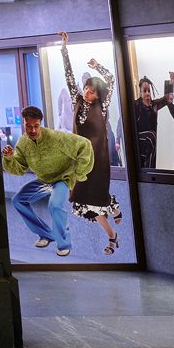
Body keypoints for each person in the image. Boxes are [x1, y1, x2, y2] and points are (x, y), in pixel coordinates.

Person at [59, 33, 122, 255]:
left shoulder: (102, 106)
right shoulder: (77, 100)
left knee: (91, 203)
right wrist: (64, 49)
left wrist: (98, 66)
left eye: (92, 90)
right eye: (86, 88)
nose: (87, 91)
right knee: (82, 204)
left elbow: (112, 80)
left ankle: (112, 235)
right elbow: (69, 76)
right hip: (81, 161)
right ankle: (112, 227)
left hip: (99, 159)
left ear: (98, 95)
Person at [2, 106, 94, 257]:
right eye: (28, 126)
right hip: (44, 181)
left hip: (62, 179)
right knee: (18, 200)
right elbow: (19, 169)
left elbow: (85, 144)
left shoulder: (56, 138)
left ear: (41, 123)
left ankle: (64, 244)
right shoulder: (23, 143)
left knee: (55, 205)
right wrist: (10, 158)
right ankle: (46, 234)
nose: (32, 130)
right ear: (24, 123)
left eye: (36, 126)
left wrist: (80, 173)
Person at [131, 70, 174, 169]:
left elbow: (167, 99)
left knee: (150, 168)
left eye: (149, 91)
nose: (147, 93)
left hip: (151, 148)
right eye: (144, 91)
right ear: (140, 92)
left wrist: (171, 82)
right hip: (139, 145)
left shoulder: (153, 105)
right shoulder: (135, 105)